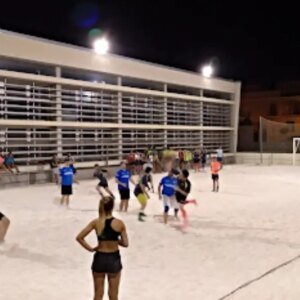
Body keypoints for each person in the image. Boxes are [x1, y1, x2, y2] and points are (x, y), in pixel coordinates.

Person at [76, 196, 129, 300]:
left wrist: (90, 249)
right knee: (113, 295)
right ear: (112, 207)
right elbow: (126, 243)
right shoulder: (119, 223)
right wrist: (114, 240)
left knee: (98, 294)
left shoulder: (96, 222)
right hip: (113, 258)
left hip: (100, 257)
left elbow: (79, 237)